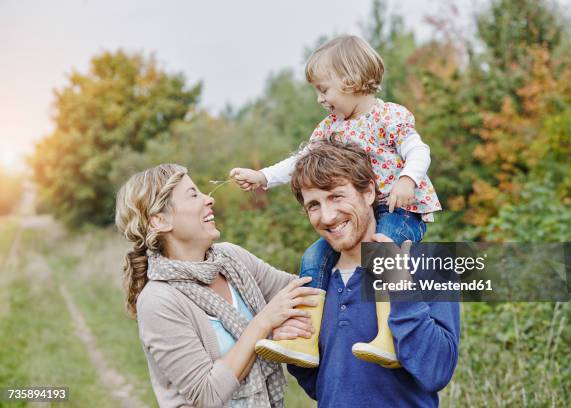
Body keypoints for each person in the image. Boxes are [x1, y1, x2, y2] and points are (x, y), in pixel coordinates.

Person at [230, 35, 441, 368]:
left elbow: (418, 151)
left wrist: (407, 179)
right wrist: (263, 177)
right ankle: (305, 339)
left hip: (400, 209)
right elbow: (301, 160)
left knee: (382, 250)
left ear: (350, 80)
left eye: (324, 89)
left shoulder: (389, 116)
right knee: (312, 256)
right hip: (361, 211)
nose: (319, 98)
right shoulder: (330, 128)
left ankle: (389, 338)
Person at [114, 163, 323, 408]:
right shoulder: (158, 301)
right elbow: (207, 395)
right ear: (160, 221)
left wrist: (374, 251)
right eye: (193, 195)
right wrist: (264, 325)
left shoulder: (232, 259)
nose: (208, 200)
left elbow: (304, 295)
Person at [282, 142, 459, 407]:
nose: (328, 216)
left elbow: (437, 371)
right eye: (314, 205)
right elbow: (323, 386)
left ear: (368, 192)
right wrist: (292, 346)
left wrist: (399, 287)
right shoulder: (314, 282)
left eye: (336, 196)